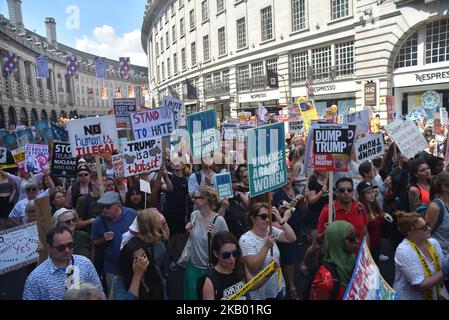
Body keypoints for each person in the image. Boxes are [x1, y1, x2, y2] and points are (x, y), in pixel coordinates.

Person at [23, 225, 103, 300]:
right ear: (49, 248)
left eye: (70, 245)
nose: (67, 250)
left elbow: (99, 292)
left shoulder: (85, 264)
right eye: (61, 247)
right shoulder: (36, 278)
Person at [239, 203, 296, 300]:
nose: (267, 220)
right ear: (253, 218)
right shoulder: (245, 239)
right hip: (262, 294)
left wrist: (280, 219)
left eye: (269, 216)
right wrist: (266, 246)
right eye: (263, 216)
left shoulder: (270, 230)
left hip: (278, 287)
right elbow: (254, 267)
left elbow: (292, 238)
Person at [201, 231, 277, 300]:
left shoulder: (239, 265)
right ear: (216, 254)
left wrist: (269, 273)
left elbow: (252, 286)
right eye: (226, 255)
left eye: (235, 253)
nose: (232, 258)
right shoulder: (210, 281)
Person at [112, 208, 168, 300]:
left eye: (144, 257)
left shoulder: (154, 271)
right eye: (138, 259)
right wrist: (137, 275)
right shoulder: (119, 282)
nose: (143, 261)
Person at [183, 186, 229, 300]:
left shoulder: (219, 221)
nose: (193, 199)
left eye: (196, 197)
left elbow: (227, 246)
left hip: (209, 269)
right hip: (192, 267)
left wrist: (214, 237)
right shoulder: (194, 215)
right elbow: (195, 238)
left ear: (205, 200)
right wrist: (188, 231)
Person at [91, 191, 137, 293]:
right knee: (115, 294)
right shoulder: (98, 222)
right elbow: (93, 241)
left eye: (108, 207)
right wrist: (103, 239)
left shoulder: (131, 214)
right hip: (111, 268)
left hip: (132, 266)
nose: (104, 210)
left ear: (118, 204)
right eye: (102, 207)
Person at [393, 211, 445, 300]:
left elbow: (440, 269)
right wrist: (445, 269)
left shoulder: (433, 243)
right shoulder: (403, 251)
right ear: (410, 233)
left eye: (427, 224)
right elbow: (421, 285)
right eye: (424, 228)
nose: (429, 228)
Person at [309, 221, 358, 300]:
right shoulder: (324, 278)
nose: (357, 241)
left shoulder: (352, 258)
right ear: (337, 240)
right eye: (352, 238)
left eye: (357, 235)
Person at [317, 177, 369, 248]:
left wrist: (366, 253)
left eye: (349, 190)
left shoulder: (360, 207)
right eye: (342, 190)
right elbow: (318, 241)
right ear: (336, 192)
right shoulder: (328, 211)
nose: (346, 192)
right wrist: (326, 232)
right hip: (337, 258)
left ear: (353, 192)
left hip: (358, 257)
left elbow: (365, 234)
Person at [301, 171, 329, 276]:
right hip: (315, 216)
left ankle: (319, 267)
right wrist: (321, 192)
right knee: (316, 245)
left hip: (326, 214)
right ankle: (304, 263)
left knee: (324, 244)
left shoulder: (330, 179)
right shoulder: (313, 181)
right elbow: (311, 201)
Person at [357, 181, 391, 263]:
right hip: (367, 247)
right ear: (362, 196)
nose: (372, 195)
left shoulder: (374, 205)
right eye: (368, 193)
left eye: (373, 192)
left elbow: (379, 215)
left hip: (378, 244)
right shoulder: (360, 209)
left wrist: (384, 214)